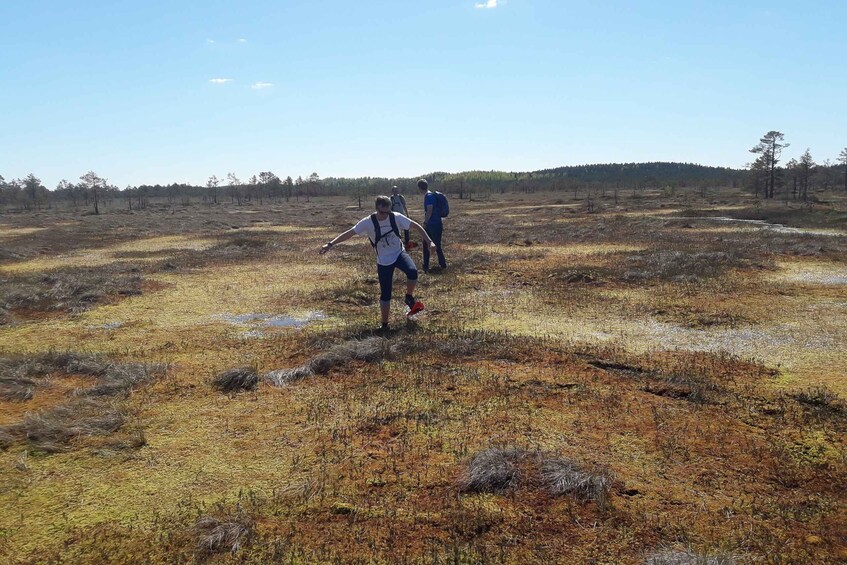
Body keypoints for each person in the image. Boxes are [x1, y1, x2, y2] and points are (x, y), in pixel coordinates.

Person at [320, 196, 436, 331]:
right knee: (386, 294)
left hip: (399, 253)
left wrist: (429, 241)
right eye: (382, 213)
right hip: (383, 261)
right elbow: (350, 233)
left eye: (387, 212)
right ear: (376, 209)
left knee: (413, 272)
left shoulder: (396, 217)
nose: (385, 216)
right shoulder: (368, 222)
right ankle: (385, 325)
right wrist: (330, 244)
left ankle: (409, 298)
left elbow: (416, 226)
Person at [417, 179, 447, 272]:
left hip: (433, 225)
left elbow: (429, 210)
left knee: (431, 244)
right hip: (436, 223)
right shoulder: (430, 195)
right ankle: (431, 265)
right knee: (430, 244)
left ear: (419, 188)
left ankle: (436, 265)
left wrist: (425, 223)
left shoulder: (429, 196)